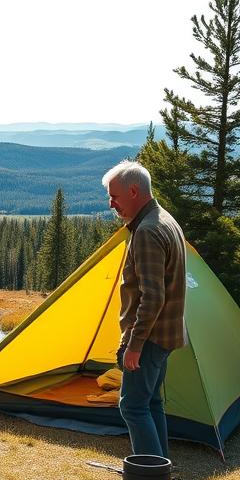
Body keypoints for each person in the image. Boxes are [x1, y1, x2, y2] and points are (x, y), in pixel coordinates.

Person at [102, 160, 186, 459]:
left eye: (115, 197)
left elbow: (152, 298)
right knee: (151, 403)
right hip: (165, 335)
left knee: (133, 407)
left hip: (149, 338)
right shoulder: (164, 220)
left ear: (134, 191)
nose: (111, 204)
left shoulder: (148, 231)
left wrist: (133, 345)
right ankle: (157, 476)